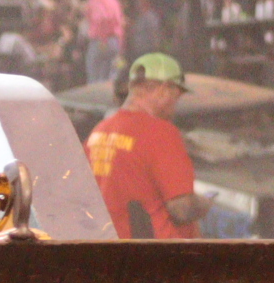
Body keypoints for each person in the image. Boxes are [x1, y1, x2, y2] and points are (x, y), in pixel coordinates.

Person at [85, 53, 208, 240]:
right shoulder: (161, 133)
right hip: (156, 252)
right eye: (176, 95)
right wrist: (205, 203)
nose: (175, 105)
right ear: (164, 89)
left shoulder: (99, 132)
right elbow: (182, 209)